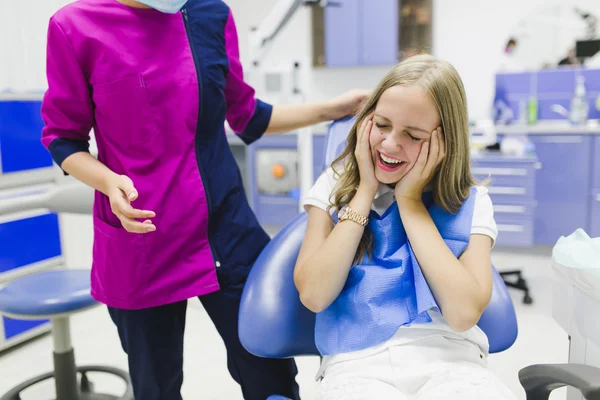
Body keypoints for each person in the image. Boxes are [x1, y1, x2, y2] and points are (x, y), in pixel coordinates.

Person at [40, 0, 369, 399]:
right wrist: (108, 182)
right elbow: (63, 137)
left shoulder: (211, 14)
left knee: (270, 374)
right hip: (143, 237)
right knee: (156, 387)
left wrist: (332, 108)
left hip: (227, 231)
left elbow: (245, 115)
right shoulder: (75, 26)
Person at [294, 54, 517, 400]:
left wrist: (410, 203)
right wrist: (365, 192)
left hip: (453, 363)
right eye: (381, 125)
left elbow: (461, 315)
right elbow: (314, 294)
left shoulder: (472, 202)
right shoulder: (333, 186)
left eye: (413, 136)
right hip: (356, 365)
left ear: (446, 142)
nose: (390, 144)